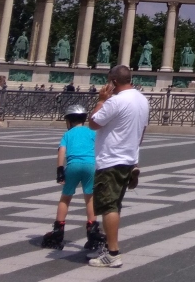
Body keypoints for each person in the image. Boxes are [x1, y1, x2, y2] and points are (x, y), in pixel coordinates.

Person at [87, 64, 150, 268]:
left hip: (111, 159)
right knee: (115, 205)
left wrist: (101, 100)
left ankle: (113, 253)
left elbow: (94, 123)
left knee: (108, 206)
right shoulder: (142, 99)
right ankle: (109, 247)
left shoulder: (115, 101)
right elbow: (142, 131)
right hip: (129, 159)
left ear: (114, 81)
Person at [40, 105, 101, 251]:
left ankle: (58, 232)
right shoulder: (92, 132)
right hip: (90, 166)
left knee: (65, 198)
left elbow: (62, 150)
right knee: (90, 198)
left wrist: (60, 170)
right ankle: (93, 233)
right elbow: (99, 148)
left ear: (69, 120)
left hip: (73, 166)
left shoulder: (68, 134)